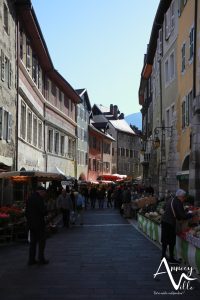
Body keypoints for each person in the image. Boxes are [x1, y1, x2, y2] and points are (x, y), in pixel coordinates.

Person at [161, 189, 195, 263]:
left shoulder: (171, 199)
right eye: (183, 197)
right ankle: (171, 258)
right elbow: (181, 216)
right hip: (170, 223)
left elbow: (164, 208)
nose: (184, 199)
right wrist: (191, 214)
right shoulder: (178, 202)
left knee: (165, 240)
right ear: (180, 196)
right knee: (171, 241)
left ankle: (163, 256)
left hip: (164, 221)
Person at [25, 186, 49, 265]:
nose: (44, 195)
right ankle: (41, 259)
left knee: (33, 243)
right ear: (41, 191)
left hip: (31, 225)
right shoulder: (39, 199)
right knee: (42, 242)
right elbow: (43, 211)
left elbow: (26, 212)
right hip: (39, 224)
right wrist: (46, 210)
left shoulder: (30, 198)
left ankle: (31, 260)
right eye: (44, 193)